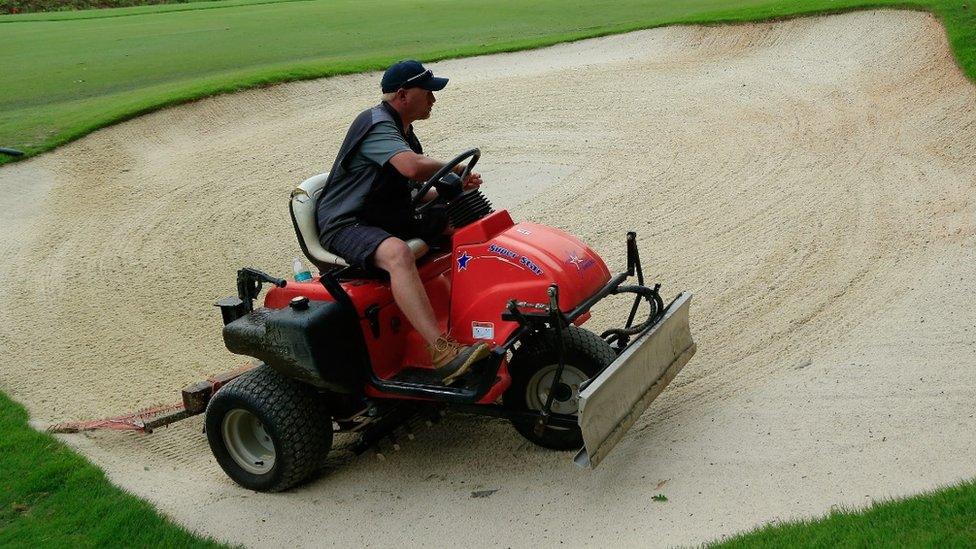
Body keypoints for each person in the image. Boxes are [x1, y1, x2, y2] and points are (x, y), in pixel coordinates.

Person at [316, 60, 489, 384]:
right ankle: (442, 352)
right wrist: (452, 170)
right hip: (345, 223)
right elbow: (411, 168)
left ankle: (480, 317)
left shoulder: (405, 135)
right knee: (398, 254)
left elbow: (414, 190)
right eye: (428, 93)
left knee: (458, 222)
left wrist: (449, 188)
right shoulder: (376, 123)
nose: (434, 100)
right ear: (402, 94)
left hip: (381, 217)